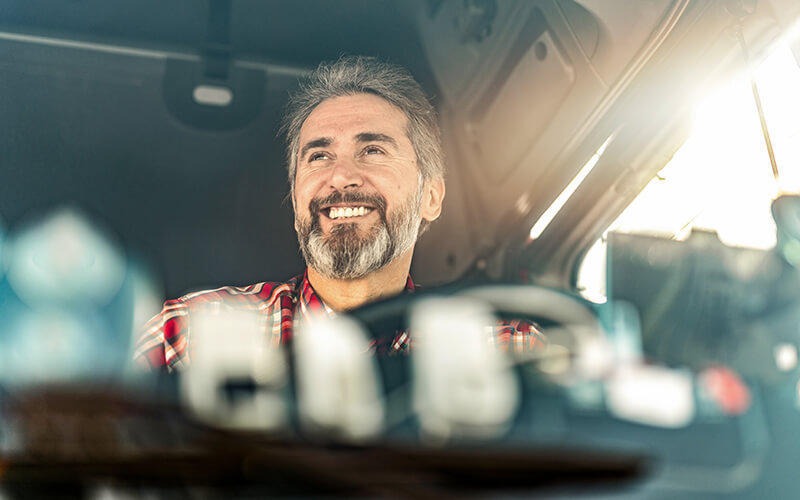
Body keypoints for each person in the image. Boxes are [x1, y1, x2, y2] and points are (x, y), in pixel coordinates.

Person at [134, 56, 544, 371]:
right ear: (296, 203)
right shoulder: (185, 337)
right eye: (318, 156)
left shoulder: (507, 350)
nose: (341, 177)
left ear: (431, 197)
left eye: (373, 150)